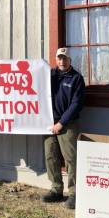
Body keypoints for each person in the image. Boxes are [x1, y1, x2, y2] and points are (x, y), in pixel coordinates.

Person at [42, 47, 85, 209]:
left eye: (65, 58)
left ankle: (74, 193)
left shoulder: (76, 78)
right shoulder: (49, 76)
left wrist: (61, 123)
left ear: (70, 61)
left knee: (71, 159)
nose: (62, 61)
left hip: (68, 124)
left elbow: (76, 104)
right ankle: (56, 189)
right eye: (59, 58)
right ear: (56, 59)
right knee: (50, 156)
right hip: (49, 124)